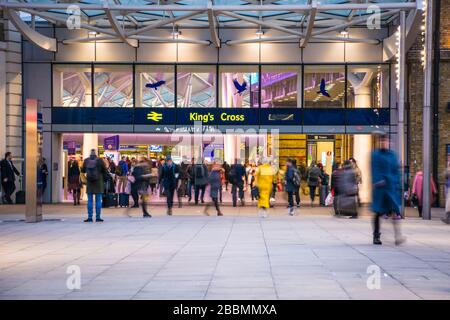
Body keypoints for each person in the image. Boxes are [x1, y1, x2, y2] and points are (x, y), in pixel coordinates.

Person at [371, 134, 406, 245]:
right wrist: (378, 180)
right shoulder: (375, 155)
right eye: (382, 141)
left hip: (391, 188)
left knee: (395, 212)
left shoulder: (393, 155)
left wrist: (397, 184)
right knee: (378, 212)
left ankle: (398, 236)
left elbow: (396, 171)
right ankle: (376, 236)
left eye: (386, 141)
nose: (384, 143)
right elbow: (374, 169)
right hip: (380, 189)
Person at [81, 149, 108, 222]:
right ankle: (98, 217)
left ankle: (90, 217)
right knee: (98, 200)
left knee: (90, 200)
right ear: (96, 153)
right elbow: (105, 170)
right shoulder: (100, 160)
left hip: (89, 182)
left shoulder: (86, 160)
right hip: (98, 182)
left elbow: (82, 170)